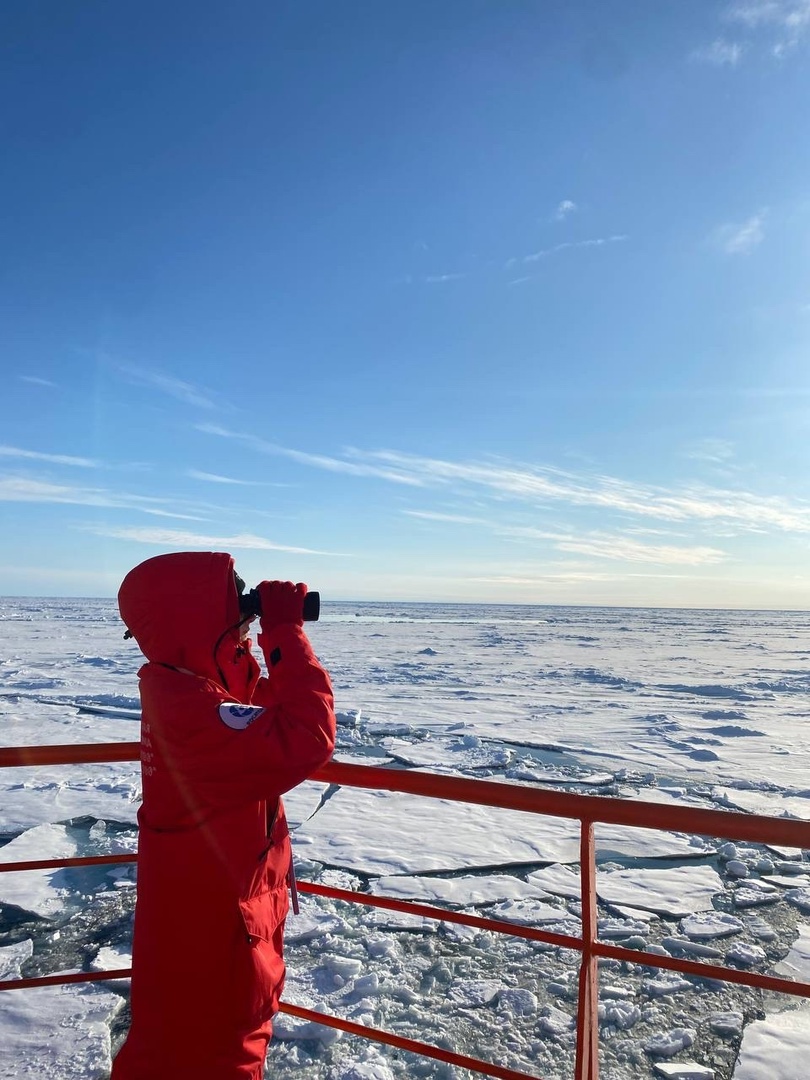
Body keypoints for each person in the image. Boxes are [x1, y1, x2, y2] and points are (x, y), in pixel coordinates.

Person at [111, 550, 336, 1080]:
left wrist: (241, 642)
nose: (244, 616)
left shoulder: (181, 689)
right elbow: (306, 735)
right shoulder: (190, 711)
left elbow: (252, 704)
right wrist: (284, 632)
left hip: (208, 927)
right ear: (191, 616)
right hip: (216, 947)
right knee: (213, 1058)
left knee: (175, 1053)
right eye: (232, 604)